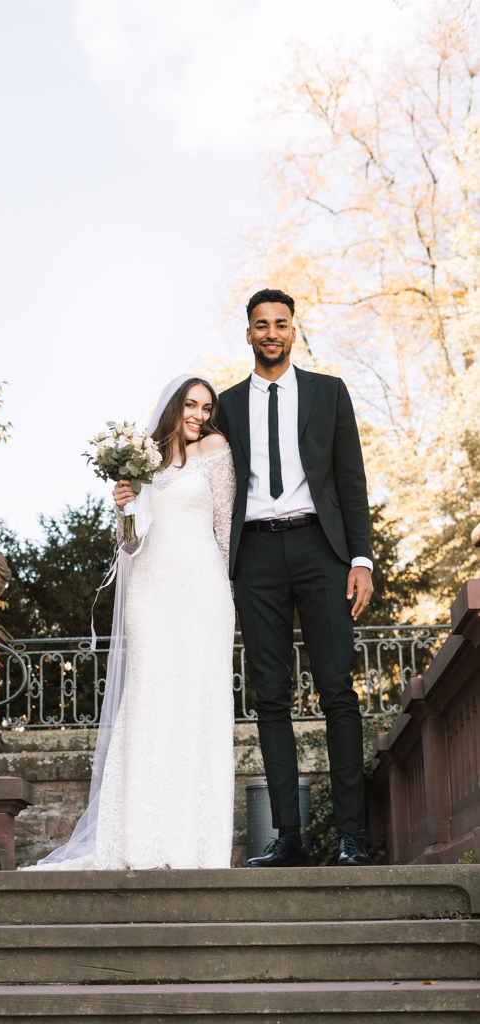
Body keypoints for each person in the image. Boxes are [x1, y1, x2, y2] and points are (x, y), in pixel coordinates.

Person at [26, 375, 237, 870]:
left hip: (202, 589)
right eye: (191, 404)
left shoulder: (215, 447)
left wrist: (228, 591)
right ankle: (139, 839)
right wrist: (123, 507)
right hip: (150, 590)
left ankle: (194, 845)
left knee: (198, 705)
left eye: (206, 407)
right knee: (150, 700)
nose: (199, 415)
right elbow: (129, 544)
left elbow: (224, 523)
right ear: (173, 407)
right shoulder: (141, 465)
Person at [217, 288, 374, 868]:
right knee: (271, 698)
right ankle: (289, 838)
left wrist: (362, 560)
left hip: (320, 549)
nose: (272, 333)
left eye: (281, 323)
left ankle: (351, 837)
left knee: (337, 693)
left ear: (293, 329)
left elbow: (351, 480)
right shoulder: (227, 406)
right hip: (254, 556)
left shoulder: (329, 392)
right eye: (262, 324)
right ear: (248, 332)